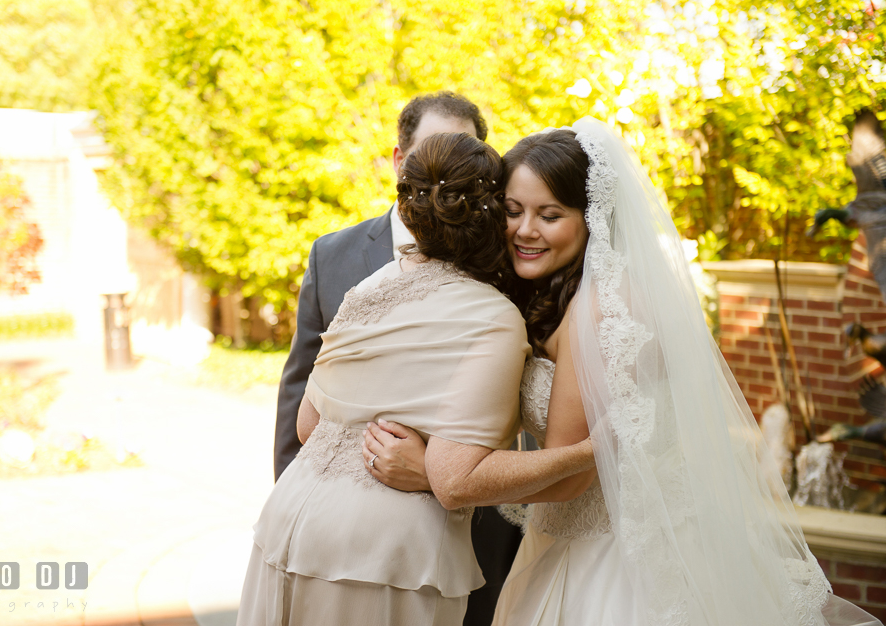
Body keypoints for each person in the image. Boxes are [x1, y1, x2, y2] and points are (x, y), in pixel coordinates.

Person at [367, 119, 884, 626]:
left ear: (592, 217)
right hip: (569, 542)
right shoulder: (561, 295)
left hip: (613, 562)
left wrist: (436, 474)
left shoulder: (600, 312)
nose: (525, 230)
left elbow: (573, 479)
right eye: (513, 210)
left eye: (549, 215)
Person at [238, 132, 596, 626]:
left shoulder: (369, 286)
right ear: (490, 212)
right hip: (383, 557)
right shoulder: (491, 316)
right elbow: (456, 480)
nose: (523, 228)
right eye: (512, 210)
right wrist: (592, 451)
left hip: (286, 528)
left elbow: (307, 425)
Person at [273, 91, 524, 625]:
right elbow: (298, 406)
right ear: (399, 161)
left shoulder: (510, 267)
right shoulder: (335, 256)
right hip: (325, 530)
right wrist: (295, 502)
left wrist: (430, 468)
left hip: (465, 535)